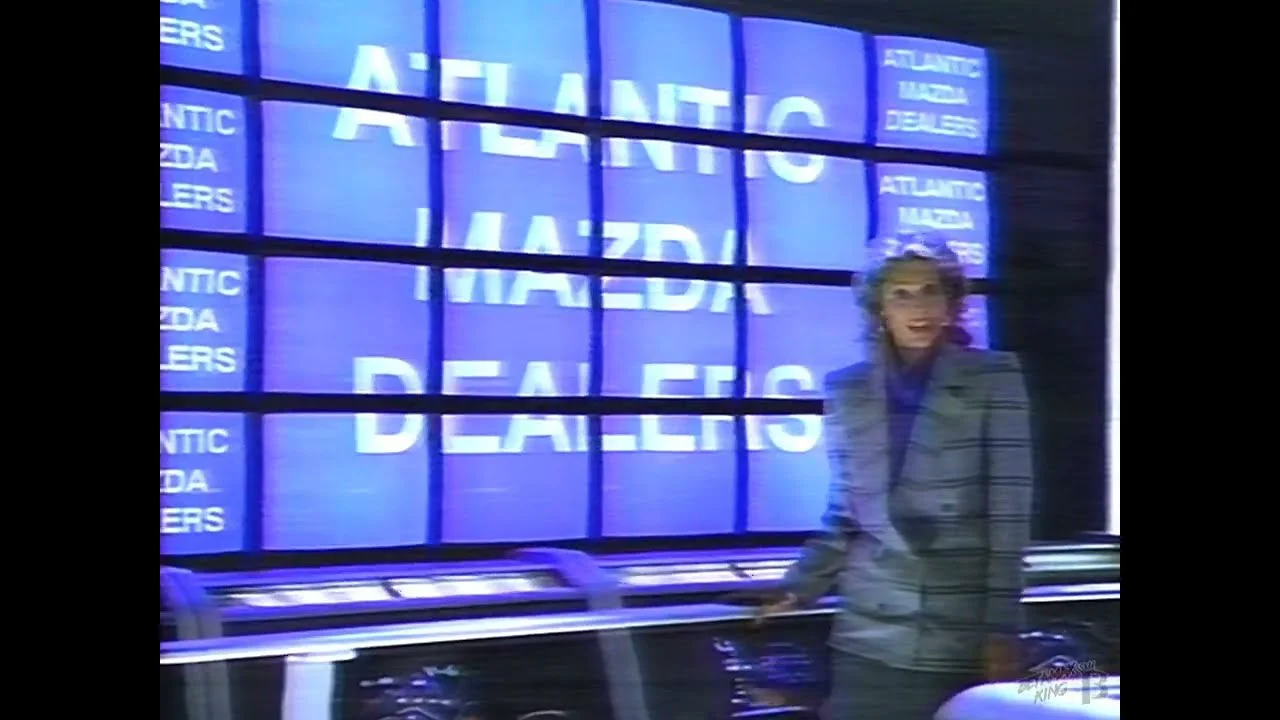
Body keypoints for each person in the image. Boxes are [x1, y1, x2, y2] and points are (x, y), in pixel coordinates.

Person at [755, 233, 1034, 719]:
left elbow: (1008, 520)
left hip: (956, 632)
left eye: (930, 291)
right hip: (867, 636)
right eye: (901, 294)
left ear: (952, 304)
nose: (918, 307)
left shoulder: (995, 379)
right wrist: (796, 587)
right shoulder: (848, 390)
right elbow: (845, 518)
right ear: (879, 309)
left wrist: (1001, 628)